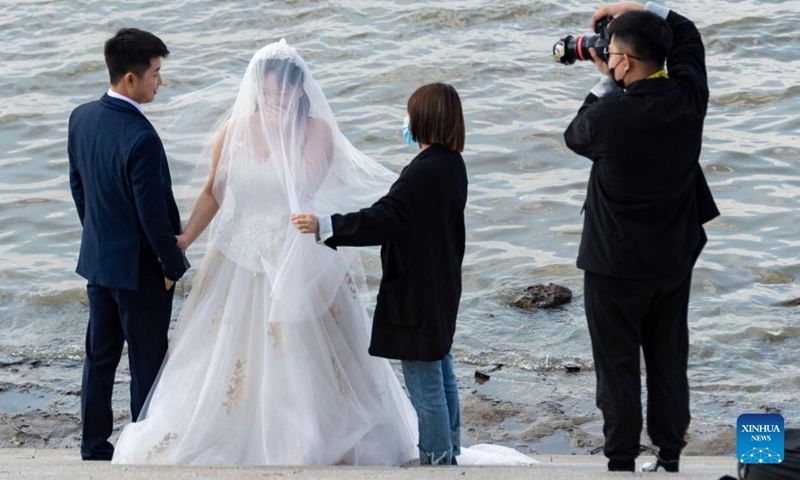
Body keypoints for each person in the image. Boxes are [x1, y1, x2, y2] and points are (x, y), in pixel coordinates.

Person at [110, 39, 418, 466]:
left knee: (304, 358)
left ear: (300, 91)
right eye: (267, 93)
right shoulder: (232, 129)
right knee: (219, 358)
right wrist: (182, 242)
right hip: (237, 255)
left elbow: (304, 190)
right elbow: (212, 194)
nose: (275, 101)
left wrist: (285, 132)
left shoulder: (316, 132)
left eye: (283, 93)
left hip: (293, 252)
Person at [563, 1, 720, 473]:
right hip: (673, 261)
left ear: (625, 62)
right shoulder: (690, 97)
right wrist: (636, 9)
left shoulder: (607, 118)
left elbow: (574, 134)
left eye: (610, 54)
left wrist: (605, 82)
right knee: (670, 361)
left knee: (618, 370)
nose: (605, 57)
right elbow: (685, 32)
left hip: (613, 266)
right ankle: (670, 458)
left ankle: (621, 462)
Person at [292, 82, 468, 466]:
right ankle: (450, 449)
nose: (405, 120)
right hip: (442, 284)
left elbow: (385, 218)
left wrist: (326, 224)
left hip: (417, 291)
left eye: (410, 112)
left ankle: (437, 461)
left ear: (424, 118)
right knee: (442, 370)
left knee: (426, 385)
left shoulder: (422, 173)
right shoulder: (452, 164)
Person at [67, 28, 188, 461]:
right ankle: (142, 449)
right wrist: (173, 265)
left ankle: (93, 446)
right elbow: (152, 214)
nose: (161, 81)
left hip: (100, 264)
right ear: (130, 79)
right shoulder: (142, 138)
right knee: (147, 364)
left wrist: (100, 238)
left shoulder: (80, 117)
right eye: (156, 73)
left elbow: (79, 190)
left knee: (99, 361)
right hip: (141, 272)